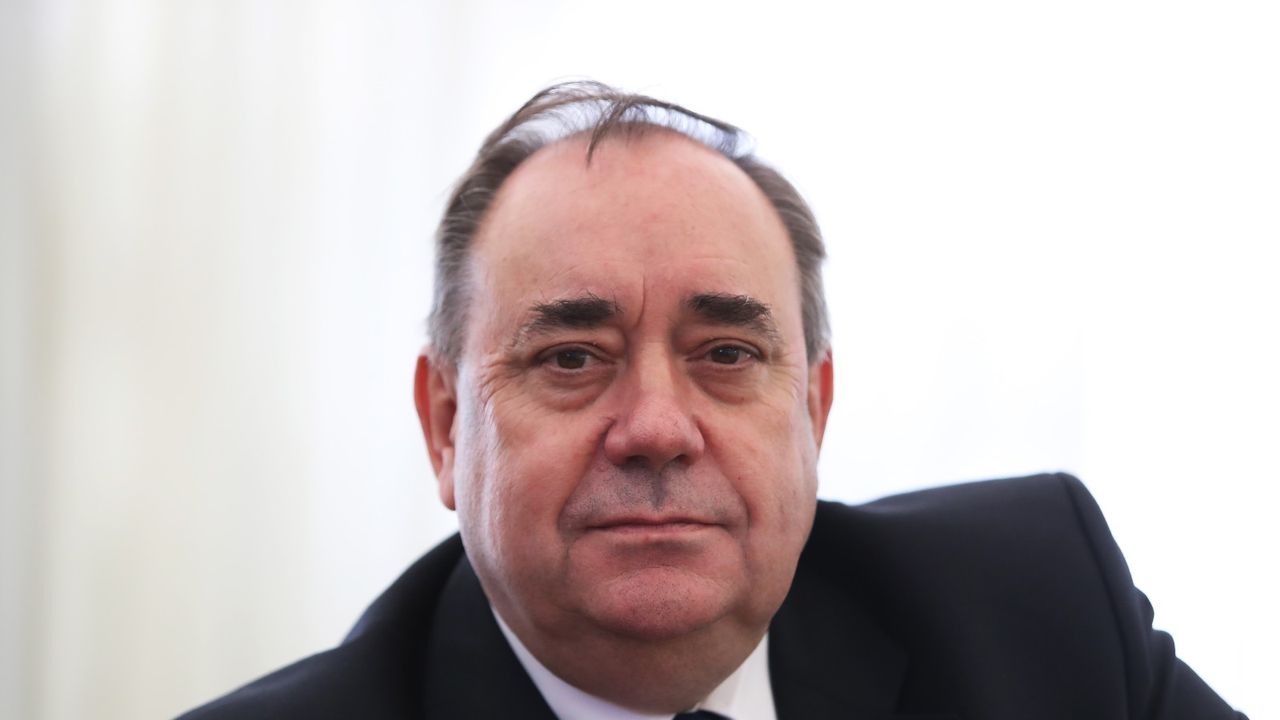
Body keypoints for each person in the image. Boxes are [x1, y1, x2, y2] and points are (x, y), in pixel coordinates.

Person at [178, 81, 1246, 719]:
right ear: (448, 426)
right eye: (570, 359)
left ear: (812, 412)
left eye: (726, 353)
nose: (654, 428)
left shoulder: (1037, 614)